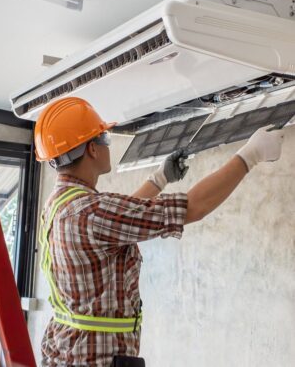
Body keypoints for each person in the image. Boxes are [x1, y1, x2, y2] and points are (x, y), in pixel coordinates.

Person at [35, 97, 285, 367]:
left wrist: (159, 178)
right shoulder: (90, 211)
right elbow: (193, 207)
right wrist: (251, 155)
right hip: (94, 358)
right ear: (92, 150)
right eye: (104, 137)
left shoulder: (60, 205)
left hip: (68, 350)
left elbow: (117, 225)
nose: (108, 143)